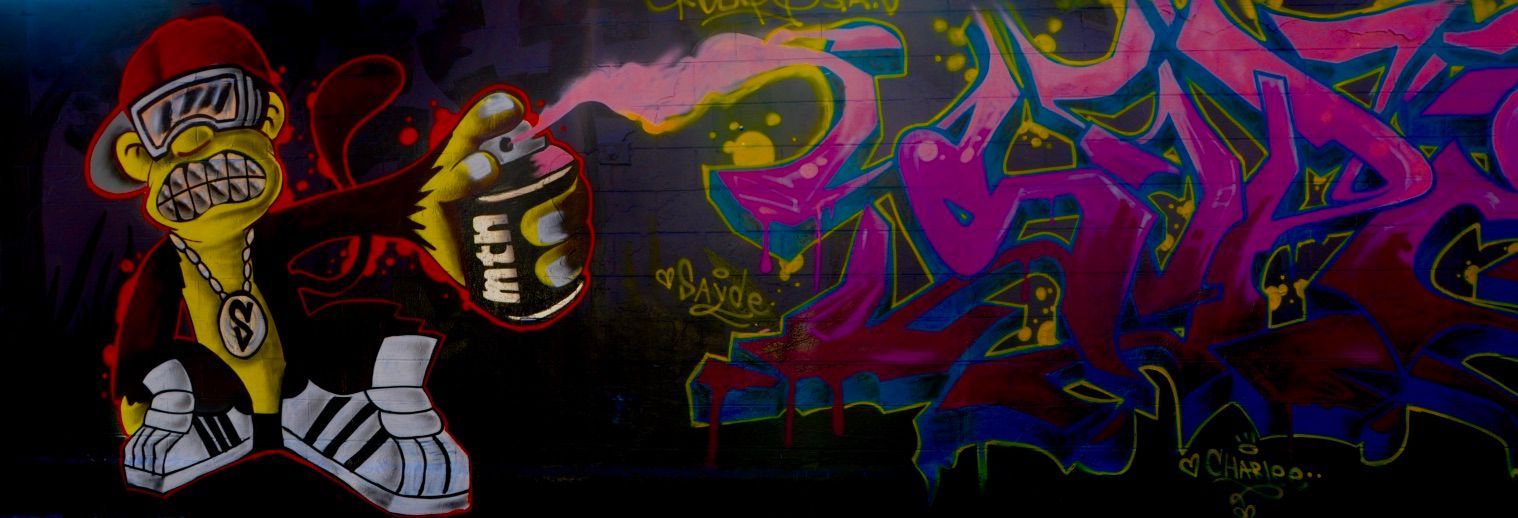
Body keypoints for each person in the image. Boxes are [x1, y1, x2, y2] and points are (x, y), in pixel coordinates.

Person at [85, 16, 591, 515]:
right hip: (217, 408)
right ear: (136, 157)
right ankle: (192, 423)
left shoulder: (270, 236)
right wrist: (141, 401)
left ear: (267, 119)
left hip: (306, 397)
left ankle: (382, 422)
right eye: (163, 125)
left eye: (217, 104)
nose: (191, 141)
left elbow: (347, 213)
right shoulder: (166, 267)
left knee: (365, 333)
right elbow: (139, 352)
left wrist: (431, 205)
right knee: (172, 378)